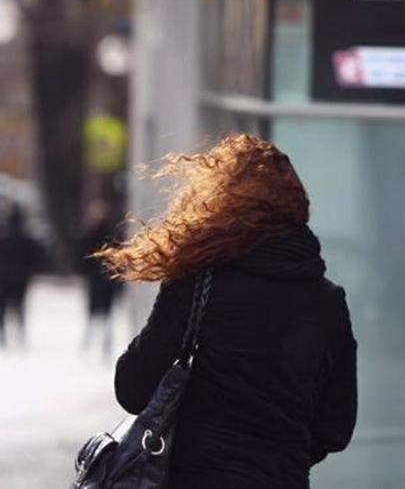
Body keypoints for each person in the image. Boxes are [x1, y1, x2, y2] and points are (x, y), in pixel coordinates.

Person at [94, 134, 357, 487]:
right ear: (298, 209)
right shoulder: (327, 303)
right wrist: (279, 455)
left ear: (221, 207)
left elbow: (132, 389)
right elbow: (336, 428)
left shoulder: (197, 283)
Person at [0, 203, 41, 348]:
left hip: (5, 277)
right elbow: (35, 258)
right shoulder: (24, 237)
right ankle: (17, 334)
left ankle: (5, 335)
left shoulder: (1, 236)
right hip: (18, 277)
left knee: (4, 308)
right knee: (17, 308)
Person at [80, 199, 121, 360]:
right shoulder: (92, 235)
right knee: (94, 314)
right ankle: (91, 343)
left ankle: (104, 344)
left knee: (105, 315)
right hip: (97, 281)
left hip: (105, 281)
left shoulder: (109, 237)